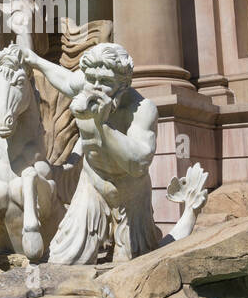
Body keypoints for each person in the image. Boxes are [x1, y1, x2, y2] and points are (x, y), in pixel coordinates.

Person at [19, 41, 160, 264]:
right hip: (93, 181)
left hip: (131, 191)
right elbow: (65, 79)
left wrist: (102, 126)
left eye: (104, 82)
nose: (94, 87)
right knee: (65, 260)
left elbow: (139, 162)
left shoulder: (143, 109)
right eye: (90, 79)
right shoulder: (90, 83)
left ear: (124, 84)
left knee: (132, 264)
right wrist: (34, 60)